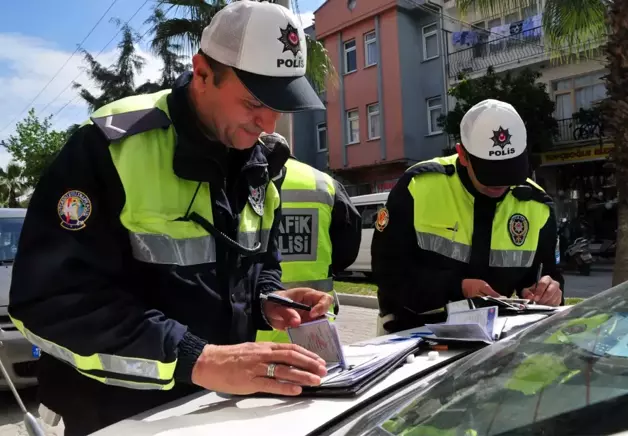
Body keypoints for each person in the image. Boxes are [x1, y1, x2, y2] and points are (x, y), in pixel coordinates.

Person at [8, 2, 334, 434]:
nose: (267, 122)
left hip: (217, 410)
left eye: (280, 105)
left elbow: (257, 263)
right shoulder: (111, 147)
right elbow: (50, 302)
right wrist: (196, 357)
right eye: (254, 101)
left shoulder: (258, 162)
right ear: (202, 73)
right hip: (117, 416)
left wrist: (268, 301)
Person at [372, 99, 565, 334]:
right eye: (491, 172)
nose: (501, 183)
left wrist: (549, 291)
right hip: (413, 332)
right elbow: (387, 272)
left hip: (495, 338)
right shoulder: (418, 187)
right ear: (462, 154)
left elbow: (546, 275)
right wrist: (457, 287)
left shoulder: (537, 205)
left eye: (510, 170)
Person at [255, 132, 362, 343]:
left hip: (255, 327)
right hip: (312, 324)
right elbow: (348, 248)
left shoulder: (243, 179)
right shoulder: (324, 183)